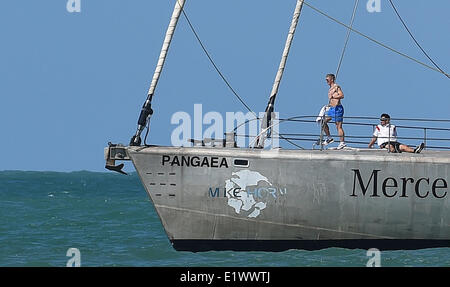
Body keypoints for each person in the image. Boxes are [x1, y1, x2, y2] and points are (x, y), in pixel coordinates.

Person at [320, 73, 346, 149]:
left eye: (327, 79)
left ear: (332, 79)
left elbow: (342, 95)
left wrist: (334, 96)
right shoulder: (330, 89)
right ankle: (329, 138)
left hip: (337, 108)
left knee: (338, 126)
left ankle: (342, 142)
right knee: (323, 122)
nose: (326, 81)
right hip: (331, 109)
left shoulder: (336, 87)